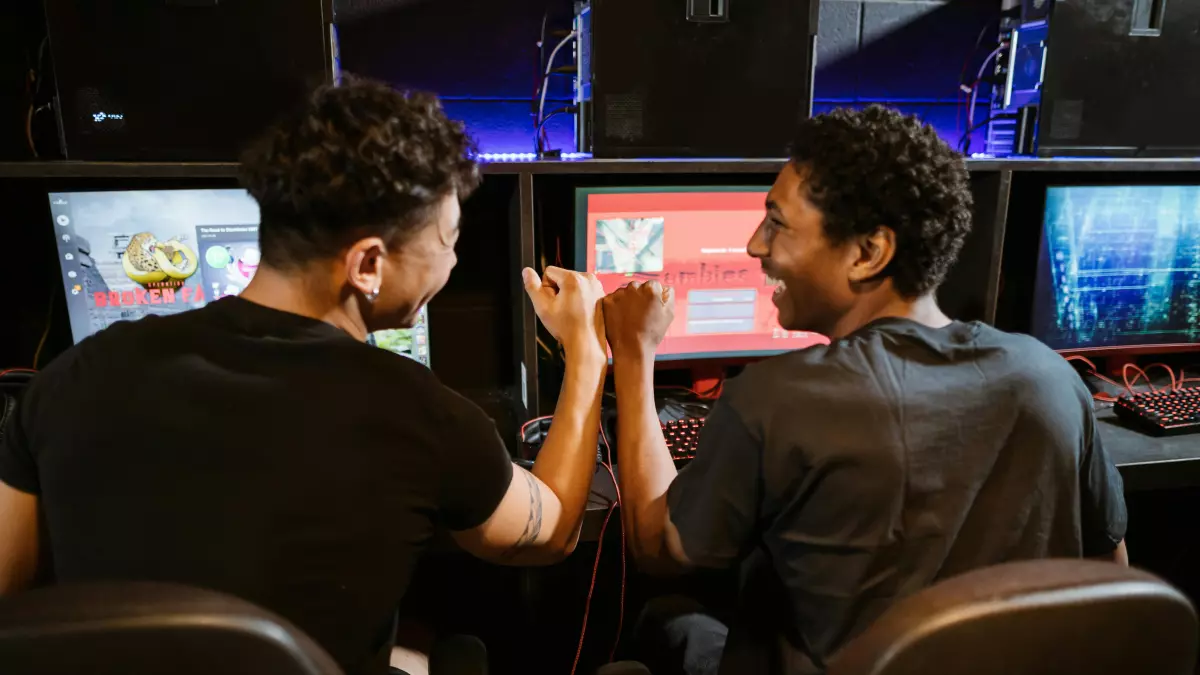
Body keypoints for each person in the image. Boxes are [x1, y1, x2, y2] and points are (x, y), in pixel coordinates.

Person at [0, 78, 609, 675]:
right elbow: (551, 532)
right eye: (448, 242)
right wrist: (586, 347)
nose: (452, 261)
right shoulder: (420, 413)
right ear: (368, 263)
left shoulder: (71, 376)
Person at [602, 106, 1128, 675]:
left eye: (776, 223)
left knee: (669, 619)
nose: (756, 246)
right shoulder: (1048, 375)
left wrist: (634, 353)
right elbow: (1110, 577)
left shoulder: (777, 398)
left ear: (868, 253)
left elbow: (660, 547)